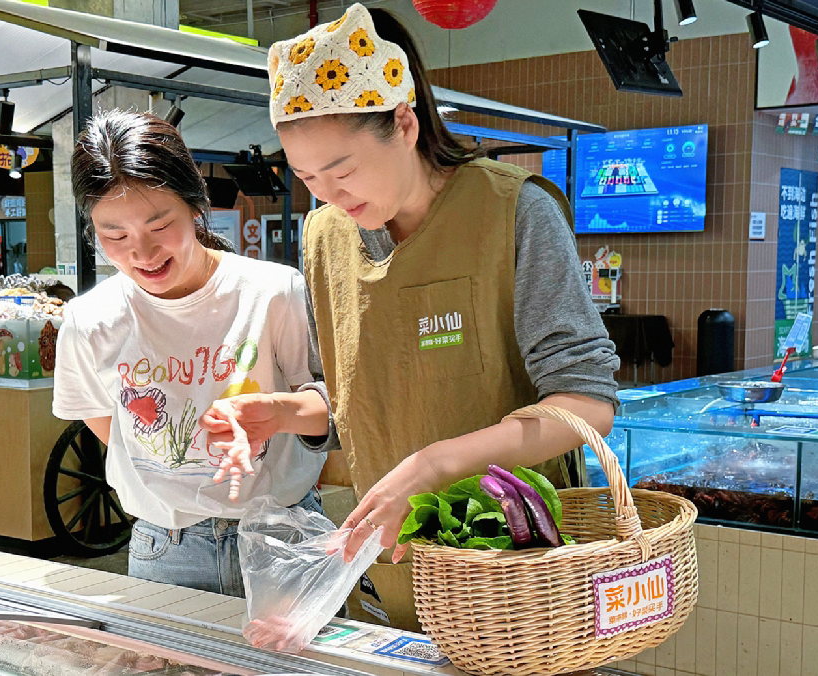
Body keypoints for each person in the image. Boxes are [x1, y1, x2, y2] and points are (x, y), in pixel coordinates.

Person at [201, 4, 620, 630]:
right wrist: (284, 412)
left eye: (342, 170)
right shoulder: (324, 236)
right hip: (392, 562)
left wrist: (433, 465)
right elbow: (363, 397)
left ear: (403, 122)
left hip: (512, 569)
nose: (327, 195)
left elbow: (587, 404)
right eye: (306, 176)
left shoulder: (514, 212)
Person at [52, 110, 332, 598]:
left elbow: (332, 409)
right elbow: (107, 423)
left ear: (196, 206)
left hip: (283, 533)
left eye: (160, 225)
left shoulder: (272, 291)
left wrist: (277, 412)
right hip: (166, 547)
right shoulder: (89, 319)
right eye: (115, 235)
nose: (142, 253)